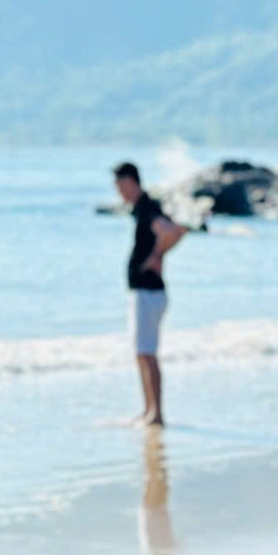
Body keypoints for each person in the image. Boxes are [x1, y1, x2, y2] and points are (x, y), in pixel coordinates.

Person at [113, 162, 184, 427]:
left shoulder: (146, 207)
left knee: (147, 353)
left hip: (149, 291)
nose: (119, 192)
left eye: (120, 185)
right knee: (142, 353)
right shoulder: (143, 208)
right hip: (146, 291)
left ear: (130, 182)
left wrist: (157, 255)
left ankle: (156, 412)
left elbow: (173, 231)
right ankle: (149, 409)